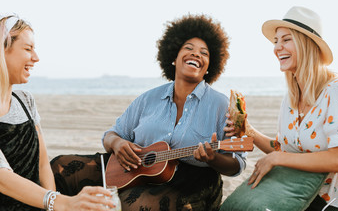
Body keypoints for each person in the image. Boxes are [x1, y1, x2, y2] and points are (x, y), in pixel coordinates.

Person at [50, 14, 247, 211]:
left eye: (204, 53)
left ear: (208, 68)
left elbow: (237, 163)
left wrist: (213, 158)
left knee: (133, 203)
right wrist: (118, 143)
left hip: (193, 183)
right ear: (173, 57)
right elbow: (111, 135)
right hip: (135, 170)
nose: (196, 54)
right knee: (60, 167)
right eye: (188, 48)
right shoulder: (148, 99)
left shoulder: (221, 104)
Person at [224, 6, 338, 210]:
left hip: (337, 202)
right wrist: (248, 129)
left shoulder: (337, 89)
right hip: (299, 197)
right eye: (276, 41)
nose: (277, 47)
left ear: (307, 44)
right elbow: (284, 149)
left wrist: (278, 158)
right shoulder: (291, 96)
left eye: (286, 39)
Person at [0, 14, 115, 211]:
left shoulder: (26, 100)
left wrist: (51, 207)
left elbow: (43, 165)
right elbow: (3, 178)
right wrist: (62, 202)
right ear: (3, 50)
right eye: (28, 49)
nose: (36, 57)